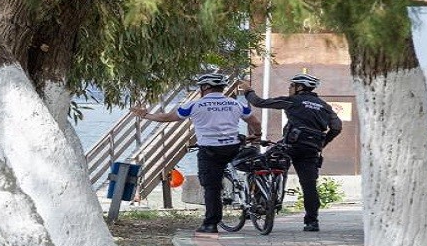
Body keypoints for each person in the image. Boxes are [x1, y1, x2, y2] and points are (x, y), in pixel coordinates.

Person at [131, 74, 262, 234]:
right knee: (248, 166)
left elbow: (166, 118)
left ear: (205, 87)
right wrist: (257, 136)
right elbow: (255, 122)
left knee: (211, 187)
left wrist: (145, 115)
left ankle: (210, 224)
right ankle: (253, 199)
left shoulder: (195, 105)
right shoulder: (236, 104)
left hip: (210, 150)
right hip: (233, 146)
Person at [238, 73, 342, 232]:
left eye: (291, 86)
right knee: (309, 186)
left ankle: (260, 204)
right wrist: (322, 143)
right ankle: (311, 222)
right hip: (312, 149)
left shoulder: (293, 101)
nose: (289, 88)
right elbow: (336, 127)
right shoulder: (325, 106)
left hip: (290, 146)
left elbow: (259, 102)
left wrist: (247, 90)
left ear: (299, 87)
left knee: (260, 165)